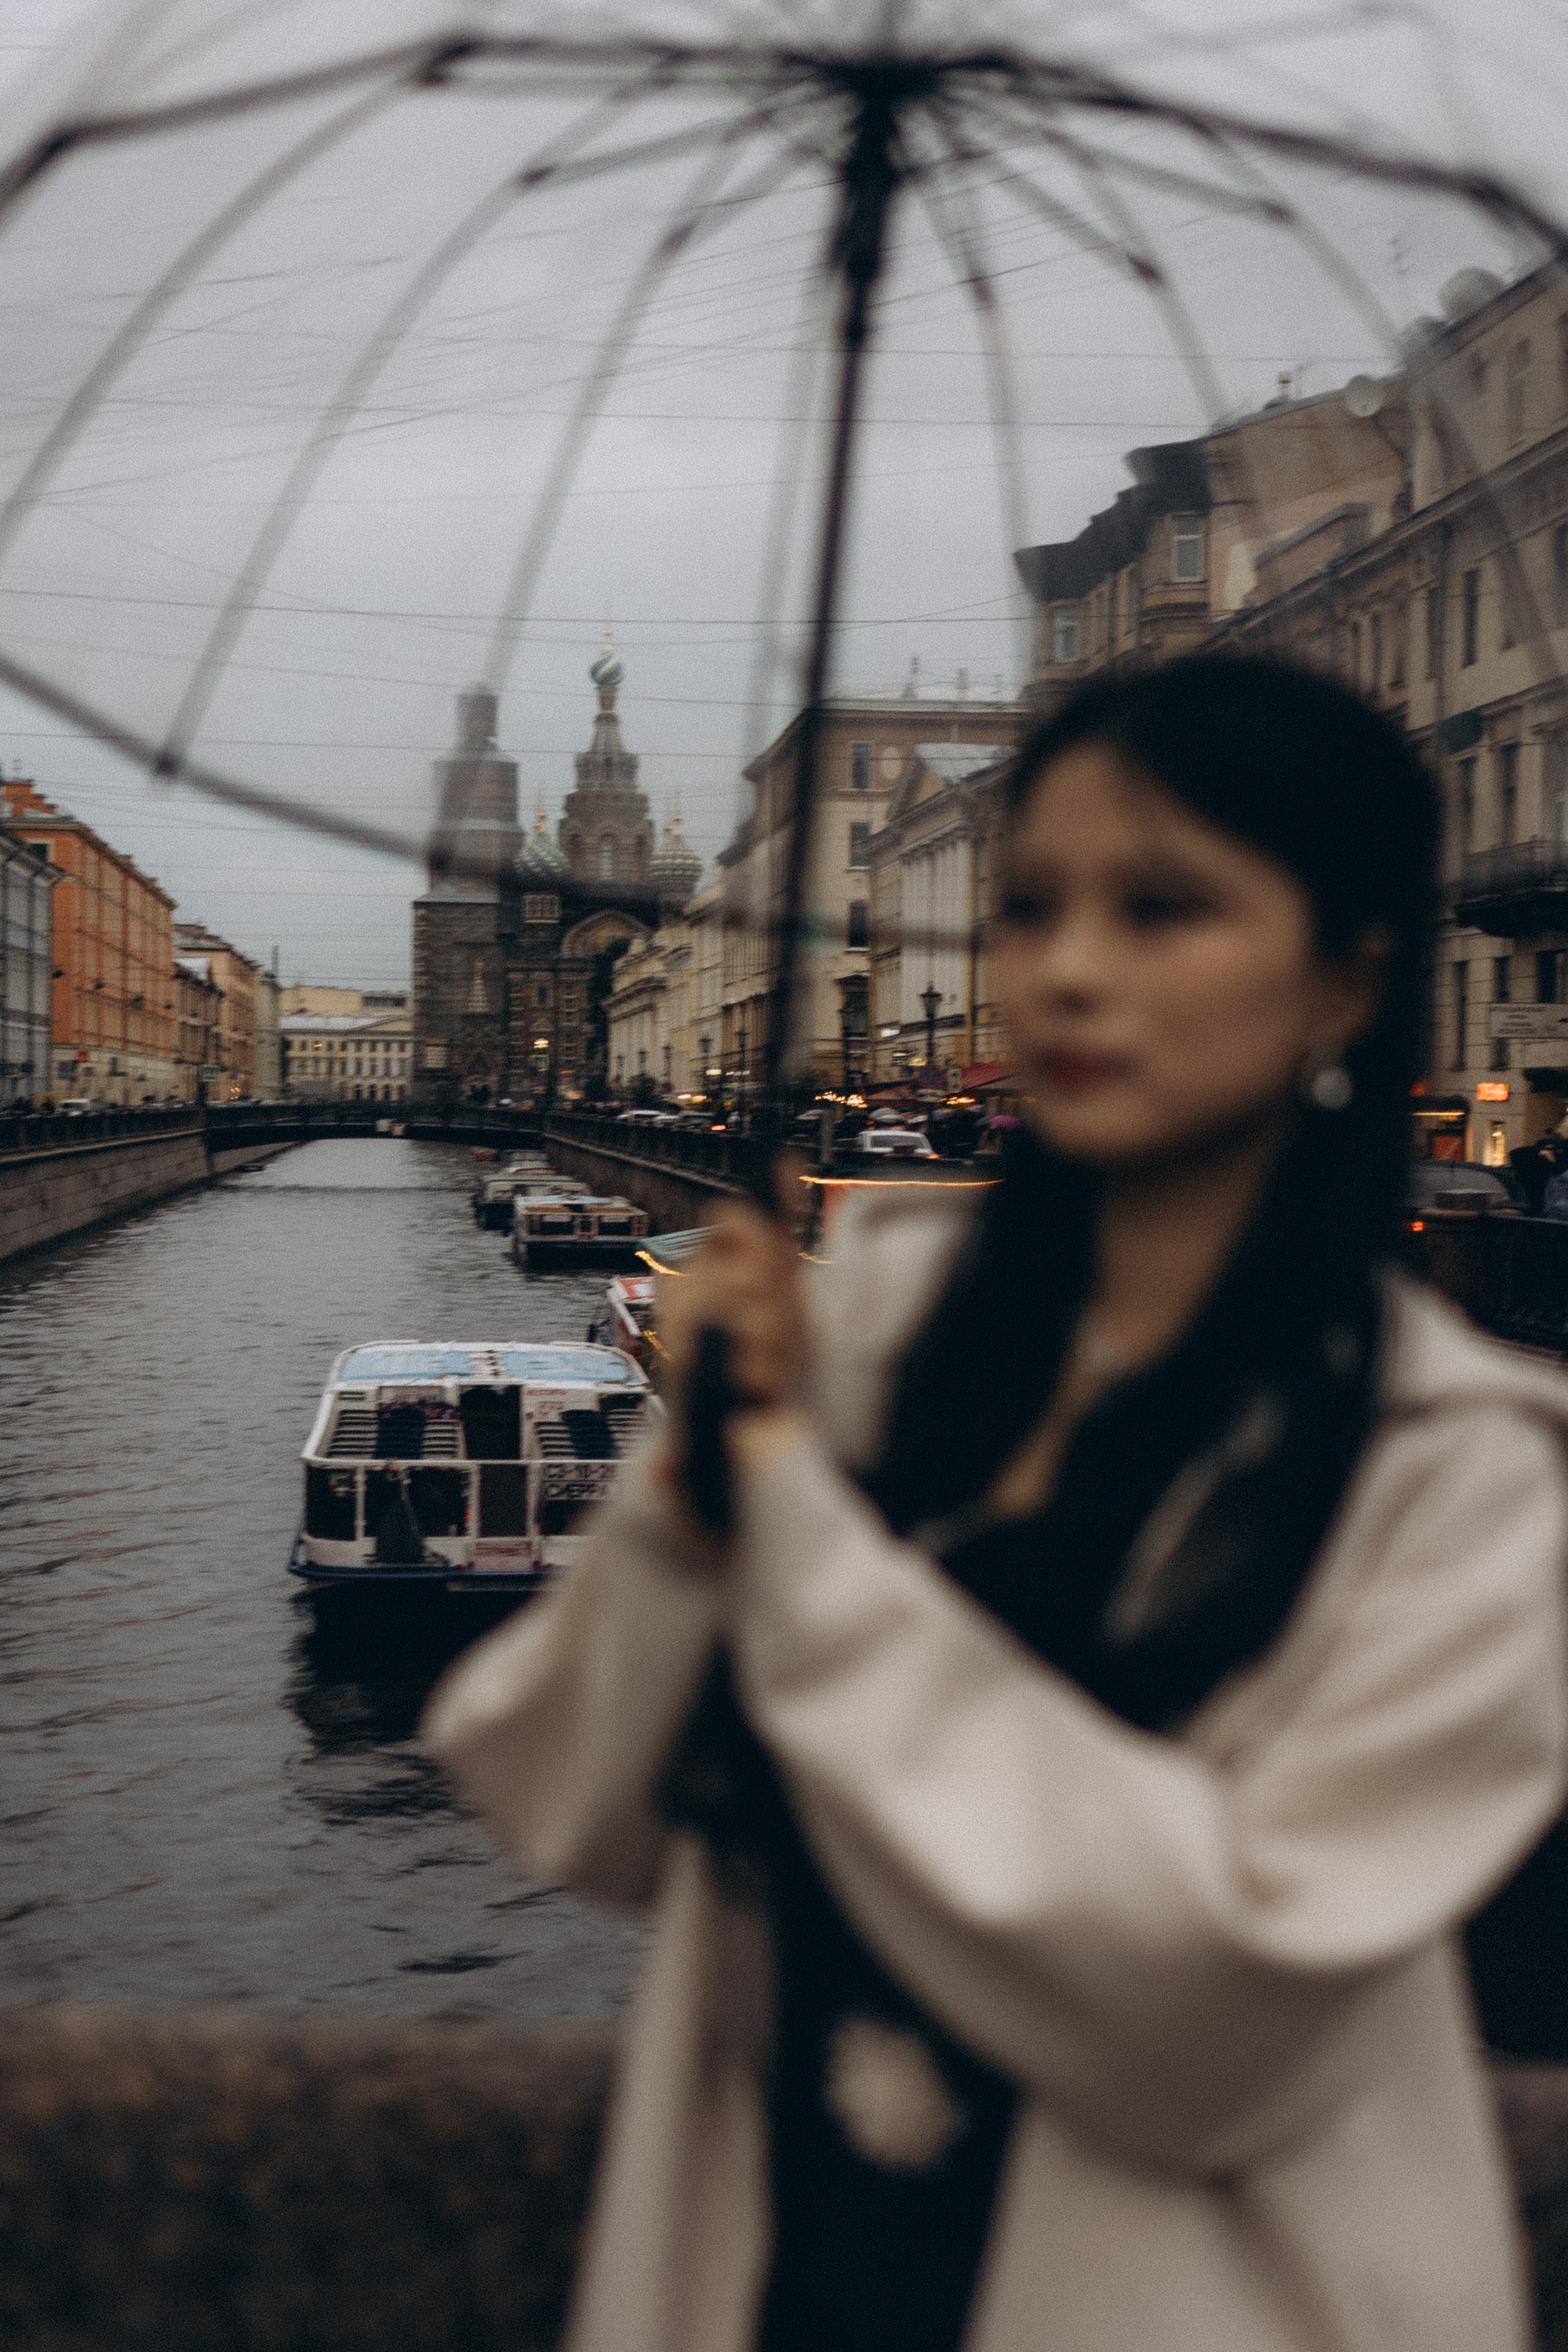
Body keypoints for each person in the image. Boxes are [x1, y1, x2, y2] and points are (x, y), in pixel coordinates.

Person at [426, 656, 1568, 2352]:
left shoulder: (1463, 1470)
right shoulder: (870, 1338)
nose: (1066, 970)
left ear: (1347, 975)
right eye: (1029, 907)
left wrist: (798, 1530)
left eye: (1161, 907)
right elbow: (569, 1806)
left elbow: (1214, 2030)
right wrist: (691, 1494)